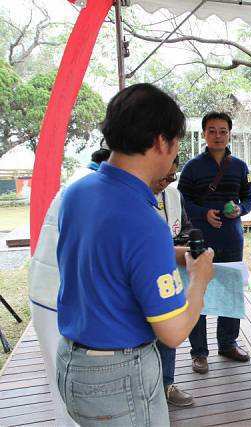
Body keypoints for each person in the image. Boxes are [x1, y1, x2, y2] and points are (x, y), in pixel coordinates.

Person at [55, 83, 214, 426]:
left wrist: (171, 254)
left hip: (72, 362)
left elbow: (107, 256)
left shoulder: (78, 191)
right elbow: (173, 332)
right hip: (119, 377)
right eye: (176, 143)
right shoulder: (144, 220)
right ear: (161, 142)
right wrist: (199, 280)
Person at [28, 148, 110, 426]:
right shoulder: (89, 188)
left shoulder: (82, 182)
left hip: (51, 294)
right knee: (68, 385)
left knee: (64, 383)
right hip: (56, 298)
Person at [178, 111, 251, 371]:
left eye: (223, 131)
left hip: (232, 238)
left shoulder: (239, 166)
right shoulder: (192, 167)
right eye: (212, 130)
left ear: (230, 134)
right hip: (200, 238)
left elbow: (249, 197)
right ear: (204, 134)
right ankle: (199, 352)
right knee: (197, 291)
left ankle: (228, 343)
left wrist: (241, 209)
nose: (218, 135)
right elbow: (183, 200)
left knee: (231, 289)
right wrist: (203, 214)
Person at [151, 156, 194, 407]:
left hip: (168, 275)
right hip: (141, 279)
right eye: (164, 175)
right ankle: (149, 389)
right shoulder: (129, 198)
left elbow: (184, 227)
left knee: (167, 333)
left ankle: (167, 384)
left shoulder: (173, 195)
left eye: (172, 176)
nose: (166, 181)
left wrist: (188, 244)